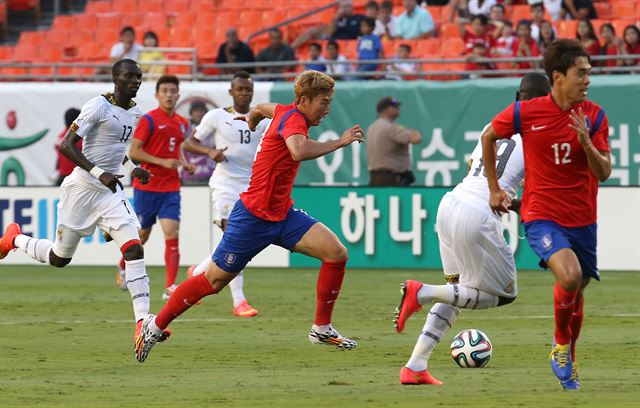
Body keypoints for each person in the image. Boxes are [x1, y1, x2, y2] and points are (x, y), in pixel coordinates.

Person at [134, 71, 364, 363]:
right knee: (213, 281)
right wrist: (340, 142)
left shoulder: (285, 111)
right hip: (253, 217)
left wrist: (254, 116)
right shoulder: (293, 119)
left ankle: (321, 328)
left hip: (282, 214)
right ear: (304, 101)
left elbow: (265, 107)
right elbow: (297, 151)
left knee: (336, 253)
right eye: (323, 102)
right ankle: (153, 327)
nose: (327, 108)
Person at [0, 59, 170, 351]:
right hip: (82, 189)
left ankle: (142, 322)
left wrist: (132, 169)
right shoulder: (97, 106)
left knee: (134, 247)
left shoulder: (135, 112)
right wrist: (97, 172)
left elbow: (116, 152)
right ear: (115, 78)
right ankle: (14, 238)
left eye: (139, 77)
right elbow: (67, 145)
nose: (135, 81)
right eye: (129, 76)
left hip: (110, 190)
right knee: (59, 258)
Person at [394, 72, 551, 386]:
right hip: (477, 214)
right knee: (505, 294)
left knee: (456, 291)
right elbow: (529, 194)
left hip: (451, 203)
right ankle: (421, 292)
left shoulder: (493, 126)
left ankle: (415, 365)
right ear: (546, 101)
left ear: (517, 97)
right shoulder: (538, 137)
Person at [482, 39, 611, 390]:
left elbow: (604, 173)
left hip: (583, 217)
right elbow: (489, 136)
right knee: (569, 277)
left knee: (578, 288)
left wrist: (585, 143)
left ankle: (567, 353)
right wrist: (495, 188)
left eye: (589, 73)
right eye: (581, 73)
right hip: (541, 213)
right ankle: (559, 346)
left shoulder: (595, 116)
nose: (587, 80)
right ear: (558, 76)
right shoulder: (527, 112)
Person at [182, 71, 270, 317]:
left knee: (239, 239)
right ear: (231, 92)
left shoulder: (262, 120)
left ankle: (198, 272)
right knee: (235, 236)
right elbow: (188, 143)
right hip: (225, 185)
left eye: (248, 89)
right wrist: (209, 152)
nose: (244, 93)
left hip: (251, 187)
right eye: (240, 89)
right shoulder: (217, 116)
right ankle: (239, 301)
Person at [114, 74, 195, 301]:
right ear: (157, 95)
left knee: (172, 233)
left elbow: (176, 149)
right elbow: (134, 153)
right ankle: (122, 266)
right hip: (147, 186)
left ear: (178, 95)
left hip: (170, 187)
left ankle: (170, 286)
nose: (169, 95)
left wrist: (185, 163)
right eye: (165, 91)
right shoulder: (148, 120)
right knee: (142, 235)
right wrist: (162, 162)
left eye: (173, 91)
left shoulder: (182, 122)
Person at [366, 96, 421, 186]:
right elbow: (416, 139)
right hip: (392, 179)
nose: (398, 108)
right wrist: (414, 132)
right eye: (395, 107)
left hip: (375, 177)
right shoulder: (391, 128)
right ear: (386, 109)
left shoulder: (372, 127)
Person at [181, 101, 215, 185]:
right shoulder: (185, 130)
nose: (199, 114)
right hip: (190, 175)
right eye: (196, 111)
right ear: (191, 113)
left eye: (201, 111)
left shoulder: (213, 130)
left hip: (210, 175)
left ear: (205, 113)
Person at [54, 108, 81, 186]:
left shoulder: (60, 136)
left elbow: (59, 158)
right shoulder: (79, 138)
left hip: (62, 177)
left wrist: (56, 171)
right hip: (76, 177)